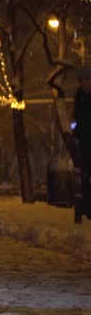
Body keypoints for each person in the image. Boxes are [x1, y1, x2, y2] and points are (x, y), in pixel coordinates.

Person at [74, 66, 91, 218]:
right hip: (84, 141)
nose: (84, 83)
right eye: (82, 80)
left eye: (86, 79)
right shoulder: (79, 96)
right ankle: (86, 207)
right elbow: (78, 117)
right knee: (85, 175)